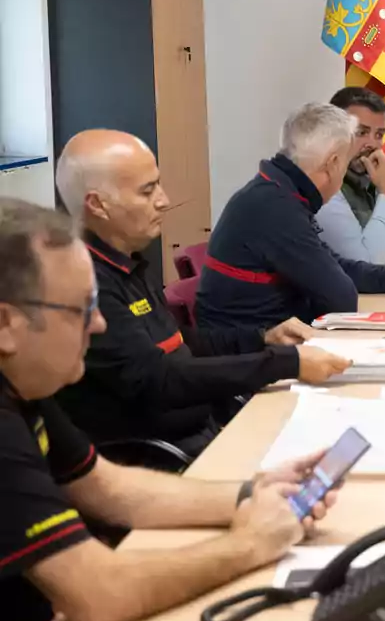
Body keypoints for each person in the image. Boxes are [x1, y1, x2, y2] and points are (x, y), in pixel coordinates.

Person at [0, 198, 339, 621]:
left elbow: (105, 485)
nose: (98, 323)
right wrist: (250, 544)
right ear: (6, 323)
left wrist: (254, 492)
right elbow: (99, 593)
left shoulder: (25, 383)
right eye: (81, 309)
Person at [52, 130, 351, 460]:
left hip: (205, 432)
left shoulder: (128, 265)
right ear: (97, 204)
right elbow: (159, 380)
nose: (164, 200)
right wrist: (283, 363)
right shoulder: (86, 283)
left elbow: (181, 343)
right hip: (163, 460)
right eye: (147, 191)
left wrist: (263, 338)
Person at [196, 103, 385, 330]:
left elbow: (341, 268)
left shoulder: (276, 190)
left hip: (265, 347)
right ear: (332, 164)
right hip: (248, 364)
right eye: (344, 163)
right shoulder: (275, 206)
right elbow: (341, 296)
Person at [314, 87, 385, 264]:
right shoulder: (325, 185)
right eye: (361, 133)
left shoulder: (367, 179)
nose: (372, 144)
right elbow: (369, 266)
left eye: (379, 134)